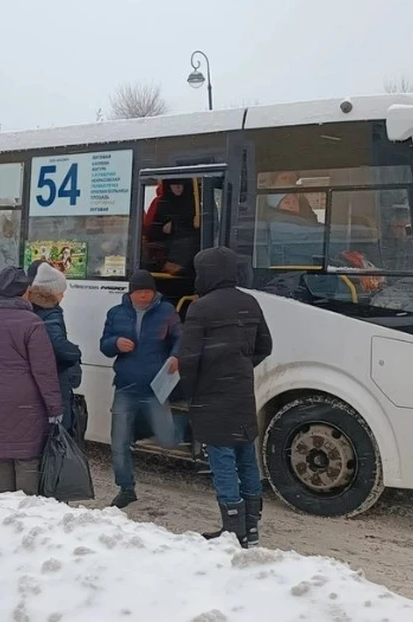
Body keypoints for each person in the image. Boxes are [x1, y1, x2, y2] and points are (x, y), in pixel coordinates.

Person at [177, 247, 273, 548]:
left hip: (211, 395)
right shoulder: (250, 302)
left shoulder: (201, 308)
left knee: (222, 461)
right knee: (246, 457)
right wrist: (240, 365)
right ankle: (252, 528)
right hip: (242, 392)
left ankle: (232, 529)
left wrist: (186, 391)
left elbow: (189, 358)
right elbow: (264, 347)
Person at [0, 266, 64, 495]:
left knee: (0, 459)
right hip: (23, 402)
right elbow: (44, 371)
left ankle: (5, 512)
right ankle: (24, 513)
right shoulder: (32, 323)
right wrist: (54, 408)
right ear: (23, 293)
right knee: (26, 459)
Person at [99, 269, 182, 508]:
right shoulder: (116, 313)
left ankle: (184, 427)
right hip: (125, 385)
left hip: (155, 387)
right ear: (131, 293)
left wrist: (176, 355)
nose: (144, 297)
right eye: (139, 292)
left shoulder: (166, 311)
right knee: (119, 441)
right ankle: (126, 488)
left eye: (148, 292)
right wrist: (115, 343)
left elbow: (180, 337)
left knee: (167, 439)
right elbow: (104, 344)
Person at [27, 260, 83, 436]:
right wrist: (75, 352)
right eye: (61, 292)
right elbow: (57, 345)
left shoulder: (31, 307)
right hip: (55, 377)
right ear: (51, 292)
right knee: (59, 431)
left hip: (38, 376)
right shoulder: (51, 312)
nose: (63, 296)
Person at [144, 179, 199, 275]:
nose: (178, 187)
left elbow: (201, 229)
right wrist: (162, 230)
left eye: (181, 183)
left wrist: (176, 226)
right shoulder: (161, 203)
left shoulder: (196, 203)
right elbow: (150, 232)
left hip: (191, 258)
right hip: (165, 260)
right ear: (168, 185)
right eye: (173, 183)